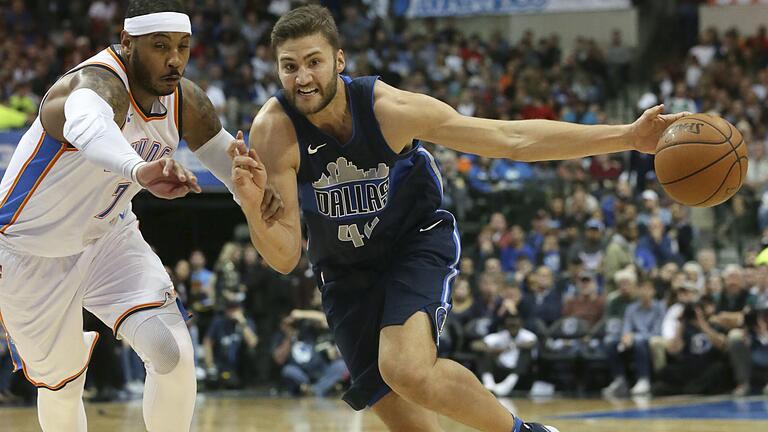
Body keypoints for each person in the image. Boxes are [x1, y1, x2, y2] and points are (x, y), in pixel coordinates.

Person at [230, 5, 688, 432]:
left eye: (314, 61)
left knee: (405, 369)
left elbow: (510, 139)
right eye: (290, 66)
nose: (302, 77)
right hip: (344, 272)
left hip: (413, 242)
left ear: (340, 61)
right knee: (398, 411)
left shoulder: (388, 109)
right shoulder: (275, 131)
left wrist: (627, 136)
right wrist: (253, 207)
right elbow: (286, 255)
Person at [0, 1, 280, 431]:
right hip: (30, 249)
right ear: (128, 43)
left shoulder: (185, 101)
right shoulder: (93, 83)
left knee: (172, 352)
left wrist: (259, 192)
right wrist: (137, 168)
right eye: (160, 46)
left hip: (108, 235)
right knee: (62, 387)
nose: (174, 60)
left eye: (183, 47)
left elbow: (231, 166)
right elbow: (89, 126)